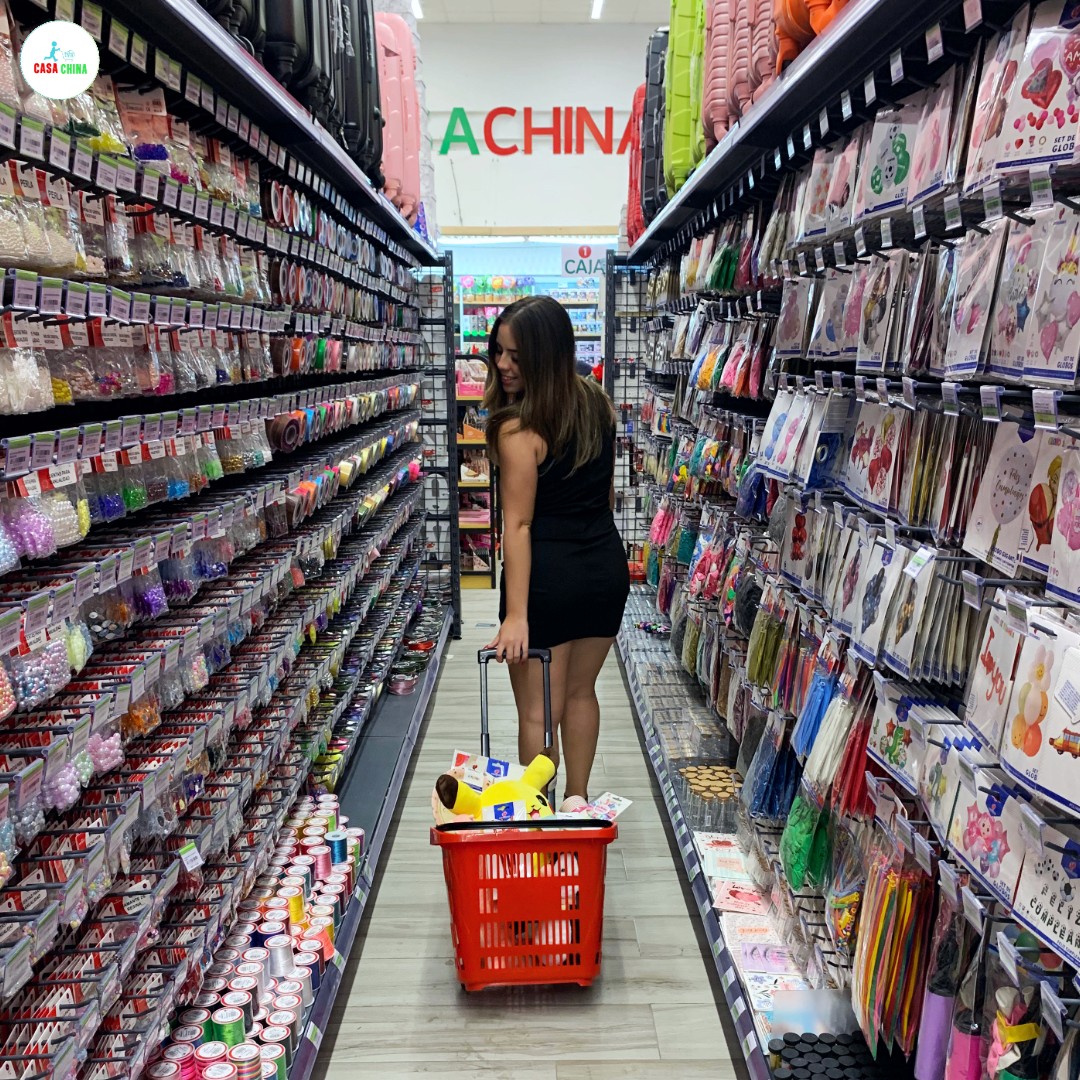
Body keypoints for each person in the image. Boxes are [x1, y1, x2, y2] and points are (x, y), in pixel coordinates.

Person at [483, 295, 630, 812]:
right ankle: (577, 802)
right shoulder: (598, 404)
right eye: (499, 351)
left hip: (548, 580)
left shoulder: (516, 429)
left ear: (546, 357)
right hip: (603, 571)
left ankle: (539, 816)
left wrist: (516, 615)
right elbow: (604, 495)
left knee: (537, 713)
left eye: (517, 356)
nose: (503, 365)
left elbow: (519, 525)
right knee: (580, 693)